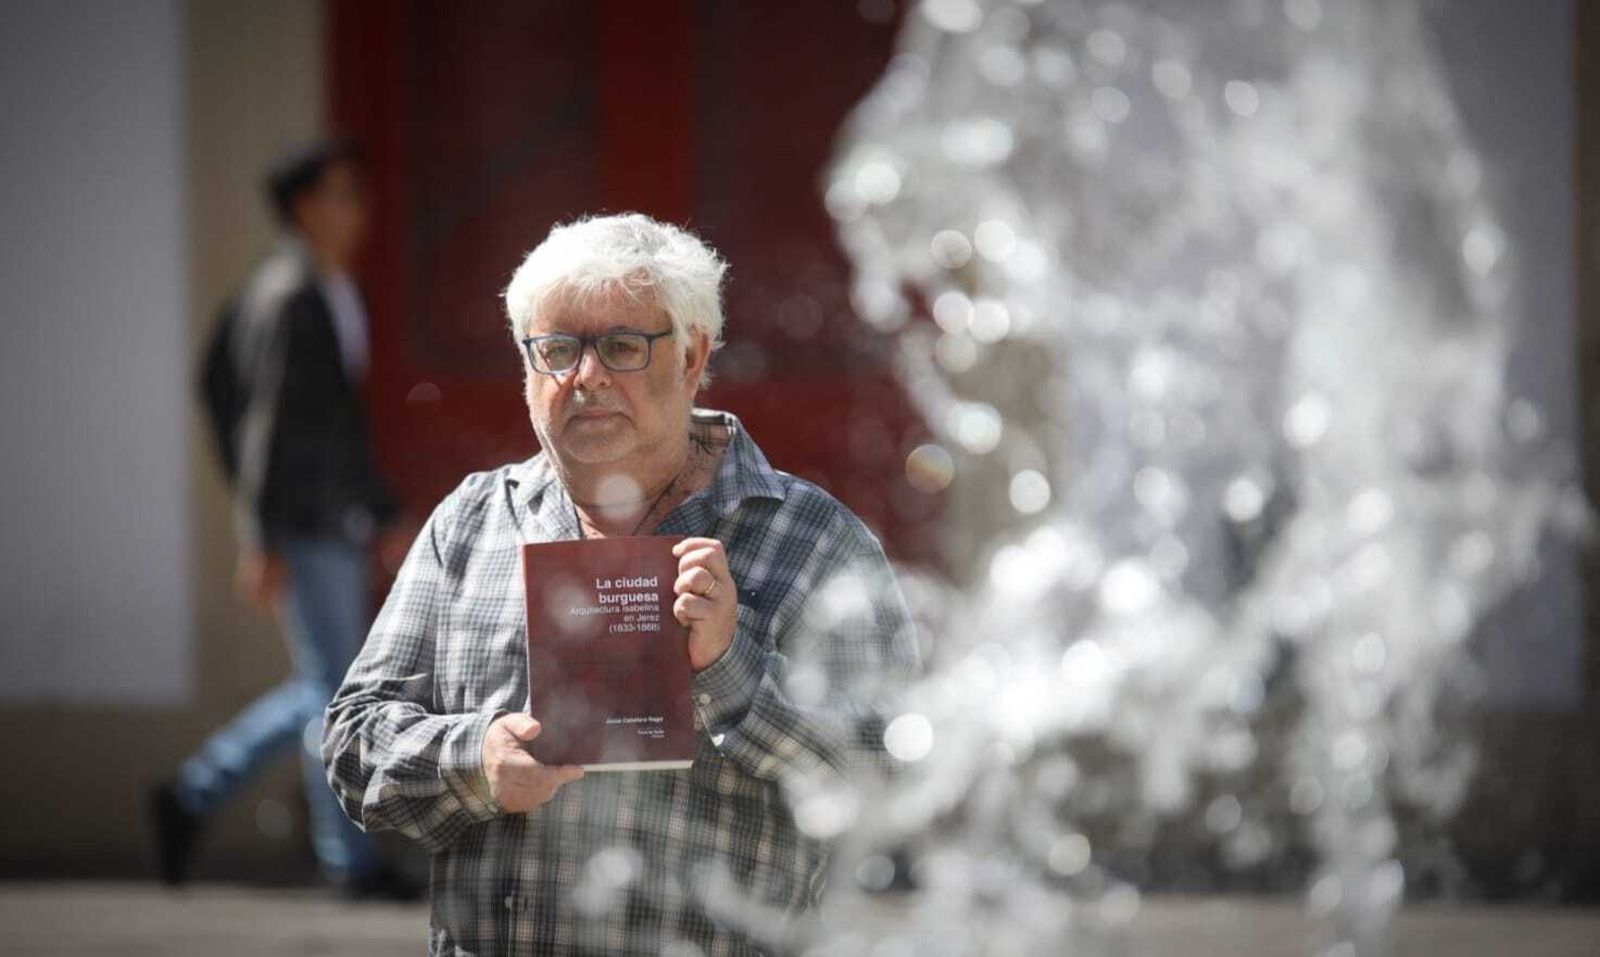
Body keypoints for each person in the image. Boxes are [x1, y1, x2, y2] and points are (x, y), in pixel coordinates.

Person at [322, 213, 920, 954]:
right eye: (558, 349)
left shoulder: (814, 538)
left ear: (693, 356)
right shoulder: (473, 521)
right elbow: (353, 742)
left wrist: (733, 667)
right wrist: (477, 762)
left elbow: (887, 776)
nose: (588, 377)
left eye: (623, 346)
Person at [151, 138, 416, 900]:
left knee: (324, 685)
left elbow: (331, 420)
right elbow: (261, 421)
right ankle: (348, 862)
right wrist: (259, 534)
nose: (357, 211)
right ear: (303, 205)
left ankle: (193, 792)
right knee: (338, 692)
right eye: (342, 195)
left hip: (332, 518)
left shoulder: (325, 289)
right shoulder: (287, 293)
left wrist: (377, 508)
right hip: (305, 525)